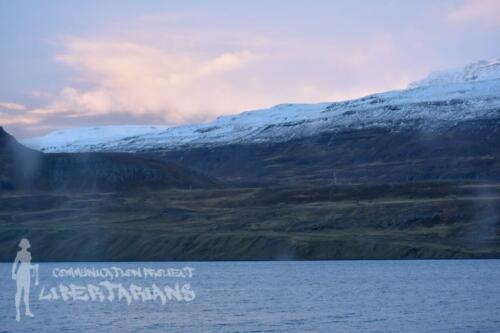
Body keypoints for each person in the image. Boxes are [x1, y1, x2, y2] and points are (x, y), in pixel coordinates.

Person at [12, 238, 38, 322]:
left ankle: (27, 310)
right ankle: (17, 313)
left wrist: (33, 271)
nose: (25, 247)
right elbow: (16, 263)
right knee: (19, 292)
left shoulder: (29, 254)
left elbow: (28, 265)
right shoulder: (19, 254)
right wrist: (13, 273)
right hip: (21, 273)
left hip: (27, 274)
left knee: (26, 292)